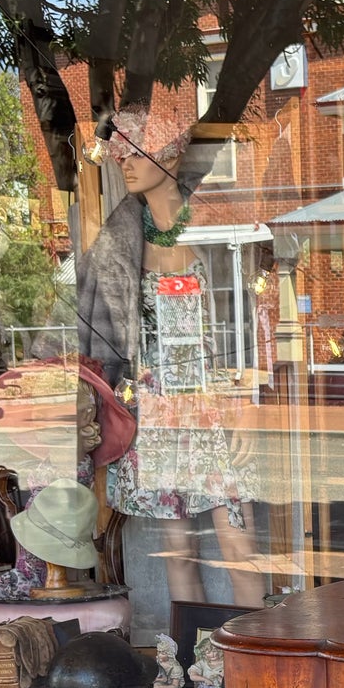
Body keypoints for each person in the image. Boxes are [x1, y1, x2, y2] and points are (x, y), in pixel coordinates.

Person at [77, 107, 265, 608]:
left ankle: (257, 671)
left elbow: (249, 324)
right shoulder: (122, 245)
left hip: (214, 409)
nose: (126, 164)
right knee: (178, 551)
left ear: (171, 154)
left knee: (237, 544)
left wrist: (247, 398)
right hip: (158, 413)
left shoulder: (212, 231)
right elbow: (105, 334)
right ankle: (192, 669)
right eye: (119, 155)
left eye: (136, 152)